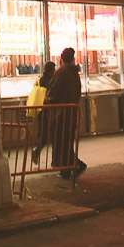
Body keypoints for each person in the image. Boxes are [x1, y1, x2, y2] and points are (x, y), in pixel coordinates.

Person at [46, 47, 87, 180]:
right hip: (71, 113)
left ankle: (71, 167)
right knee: (67, 142)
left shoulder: (61, 72)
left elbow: (53, 93)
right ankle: (69, 168)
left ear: (62, 58)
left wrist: (46, 100)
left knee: (60, 143)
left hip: (60, 114)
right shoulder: (74, 73)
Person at [27, 61, 56, 162]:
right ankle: (39, 151)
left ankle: (38, 151)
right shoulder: (50, 82)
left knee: (44, 134)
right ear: (50, 71)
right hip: (47, 110)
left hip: (40, 109)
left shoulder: (40, 79)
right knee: (51, 135)